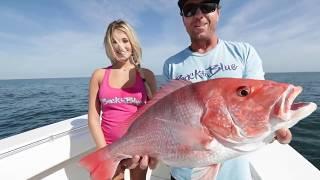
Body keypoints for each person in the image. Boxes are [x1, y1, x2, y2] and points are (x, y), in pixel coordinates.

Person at [162, 0, 293, 179]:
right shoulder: (172, 65)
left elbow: (260, 104)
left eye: (207, 6)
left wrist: (276, 126)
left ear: (218, 12)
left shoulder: (244, 53)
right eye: (190, 10)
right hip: (184, 174)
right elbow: (167, 120)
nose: (199, 15)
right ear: (183, 19)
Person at [87, 19, 157, 180]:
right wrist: (103, 151)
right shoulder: (99, 75)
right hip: (109, 148)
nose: (120, 46)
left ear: (132, 43)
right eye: (114, 42)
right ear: (108, 47)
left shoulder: (146, 75)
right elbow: (93, 117)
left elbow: (156, 115)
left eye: (124, 40)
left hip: (139, 148)